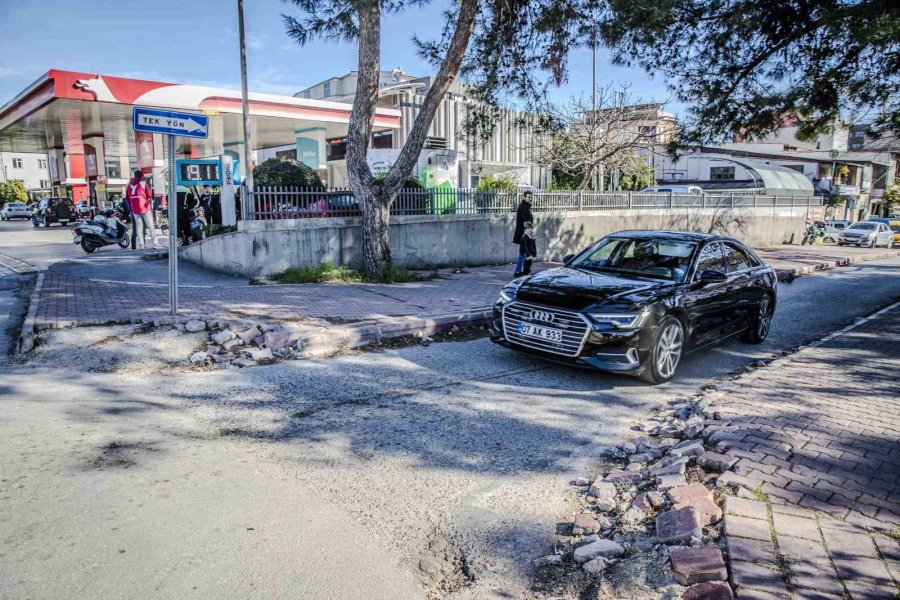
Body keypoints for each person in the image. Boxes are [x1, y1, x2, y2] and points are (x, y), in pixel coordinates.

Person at [126, 170, 160, 249]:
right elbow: (150, 195)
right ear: (141, 176)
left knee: (139, 226)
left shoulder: (127, 185)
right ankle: (155, 242)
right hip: (144, 206)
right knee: (150, 225)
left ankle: (141, 244)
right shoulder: (143, 183)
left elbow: (127, 197)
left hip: (134, 207)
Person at [512, 190, 534, 275]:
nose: (530, 199)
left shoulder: (525, 206)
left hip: (524, 233)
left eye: (531, 197)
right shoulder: (524, 207)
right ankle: (518, 271)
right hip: (524, 234)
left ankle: (525, 270)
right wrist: (529, 233)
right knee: (523, 252)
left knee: (524, 252)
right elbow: (526, 222)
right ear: (524, 197)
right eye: (528, 197)